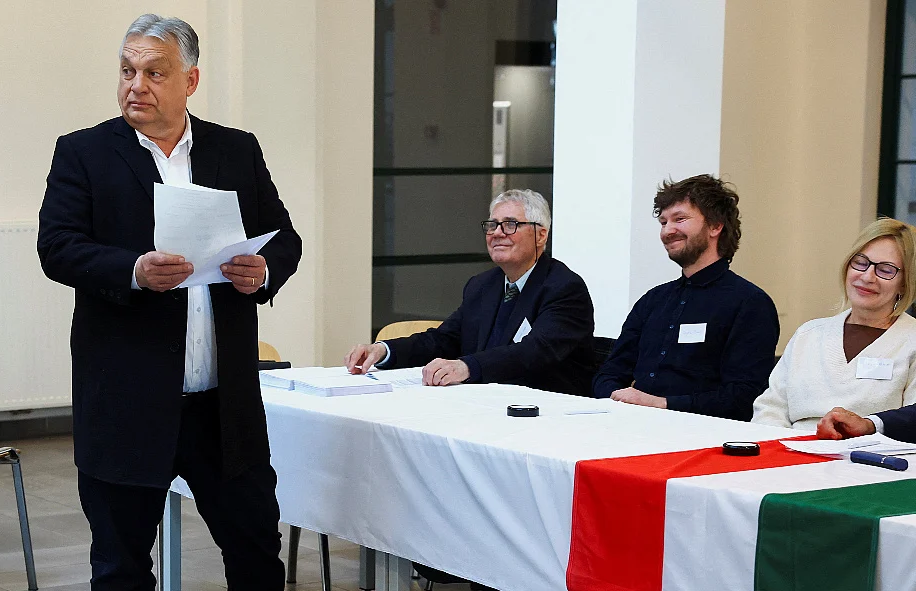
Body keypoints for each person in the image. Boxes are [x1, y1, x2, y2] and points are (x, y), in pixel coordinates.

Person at [37, 14, 301, 591]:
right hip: (127, 401)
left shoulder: (235, 149)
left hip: (222, 406)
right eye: (127, 71)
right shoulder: (84, 152)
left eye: (155, 73)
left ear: (191, 80)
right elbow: (57, 247)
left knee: (257, 556)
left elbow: (284, 237)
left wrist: (263, 270)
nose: (136, 85)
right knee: (122, 569)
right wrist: (133, 270)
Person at [344, 189, 595, 395]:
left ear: (541, 235)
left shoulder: (563, 288)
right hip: (481, 403)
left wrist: (467, 367)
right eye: (492, 225)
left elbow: (535, 352)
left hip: (544, 413)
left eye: (510, 225)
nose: (497, 233)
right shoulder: (483, 285)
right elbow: (445, 339)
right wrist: (384, 350)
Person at [593, 175, 779, 421]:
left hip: (704, 434)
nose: (667, 231)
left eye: (679, 219)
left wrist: (662, 404)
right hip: (631, 424)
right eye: (663, 222)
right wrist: (615, 397)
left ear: (715, 226)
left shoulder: (750, 303)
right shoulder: (653, 300)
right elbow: (609, 373)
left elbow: (745, 396)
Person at [751, 219, 916, 432]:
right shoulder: (808, 335)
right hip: (790, 448)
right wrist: (780, 446)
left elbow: (911, 423)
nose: (867, 276)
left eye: (885, 270)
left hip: (870, 451)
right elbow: (770, 408)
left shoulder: (910, 340)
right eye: (861, 262)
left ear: (905, 283)